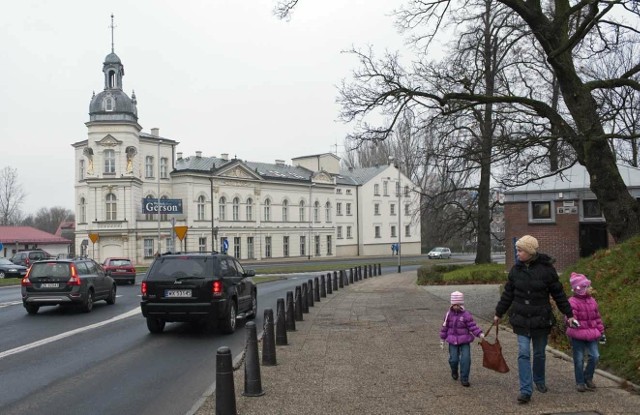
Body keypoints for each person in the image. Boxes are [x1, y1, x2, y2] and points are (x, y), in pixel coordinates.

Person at [494, 235, 577, 404]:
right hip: (521, 318)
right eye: (517, 250)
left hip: (541, 319)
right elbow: (508, 294)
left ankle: (539, 380)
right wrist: (498, 313)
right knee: (523, 353)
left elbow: (559, 294)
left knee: (539, 353)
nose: (517, 254)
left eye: (520, 250)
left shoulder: (547, 270)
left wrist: (569, 314)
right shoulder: (515, 270)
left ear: (530, 252)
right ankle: (525, 390)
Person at [566, 272, 605, 392]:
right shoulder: (572, 301)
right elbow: (569, 317)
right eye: (586, 287)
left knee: (595, 356)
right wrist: (573, 322)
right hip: (578, 335)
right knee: (578, 359)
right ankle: (580, 382)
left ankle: (588, 377)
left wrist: (601, 332)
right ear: (579, 289)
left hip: (592, 334)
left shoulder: (592, 301)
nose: (589, 289)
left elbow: (597, 318)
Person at [440, 291, 485, 387]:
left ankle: (464, 378)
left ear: (461, 304)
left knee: (466, 359)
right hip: (452, 340)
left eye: (458, 304)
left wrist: (479, 333)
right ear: (452, 304)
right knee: (453, 359)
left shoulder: (466, 315)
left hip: (464, 340)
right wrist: (442, 339)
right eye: (454, 304)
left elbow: (472, 326)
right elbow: (444, 327)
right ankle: (454, 370)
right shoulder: (448, 315)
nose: (456, 306)